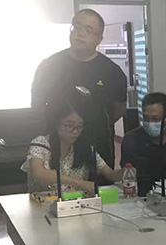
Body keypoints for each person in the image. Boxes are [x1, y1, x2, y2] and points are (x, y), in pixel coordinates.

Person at [31, 9, 127, 168]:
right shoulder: (49, 65)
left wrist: (93, 120)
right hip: (57, 146)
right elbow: (37, 105)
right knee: (56, 183)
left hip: (97, 146)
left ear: (99, 39)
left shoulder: (112, 72)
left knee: (100, 183)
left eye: (88, 29)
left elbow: (117, 109)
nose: (80, 33)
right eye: (77, 27)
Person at [22, 97, 122, 195]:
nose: (75, 131)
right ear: (56, 123)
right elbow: (39, 173)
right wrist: (80, 183)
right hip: (43, 202)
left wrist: (126, 173)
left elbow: (110, 174)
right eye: (70, 125)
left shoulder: (85, 147)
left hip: (76, 202)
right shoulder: (41, 144)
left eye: (80, 126)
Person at [120, 92, 166, 195]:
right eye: (146, 118)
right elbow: (127, 176)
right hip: (141, 193)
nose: (150, 123)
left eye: (156, 119)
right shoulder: (131, 140)